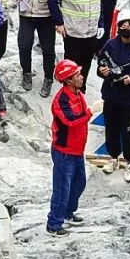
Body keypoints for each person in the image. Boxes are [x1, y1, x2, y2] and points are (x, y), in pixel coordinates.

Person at [45, 59, 101, 237]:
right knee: (62, 188)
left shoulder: (77, 93)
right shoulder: (61, 100)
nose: (81, 76)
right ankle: (54, 224)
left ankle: (68, 212)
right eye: (77, 74)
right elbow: (71, 121)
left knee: (79, 182)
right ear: (68, 80)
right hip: (64, 151)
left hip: (76, 150)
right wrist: (91, 111)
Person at [96, 9, 130, 182]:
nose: (125, 27)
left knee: (128, 130)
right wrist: (102, 71)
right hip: (111, 95)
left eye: (128, 25)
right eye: (122, 24)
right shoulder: (111, 44)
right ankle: (113, 158)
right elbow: (100, 62)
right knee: (110, 128)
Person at [48, 0, 107, 87]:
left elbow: (98, 1)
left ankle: (81, 91)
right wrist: (59, 23)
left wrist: (100, 23)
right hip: (73, 33)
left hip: (91, 31)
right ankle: (69, 93)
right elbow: (52, 0)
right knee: (71, 68)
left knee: (86, 65)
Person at [13, 0, 57, 97]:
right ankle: (26, 72)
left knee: (48, 49)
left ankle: (48, 78)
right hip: (26, 12)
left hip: (46, 13)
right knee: (24, 45)